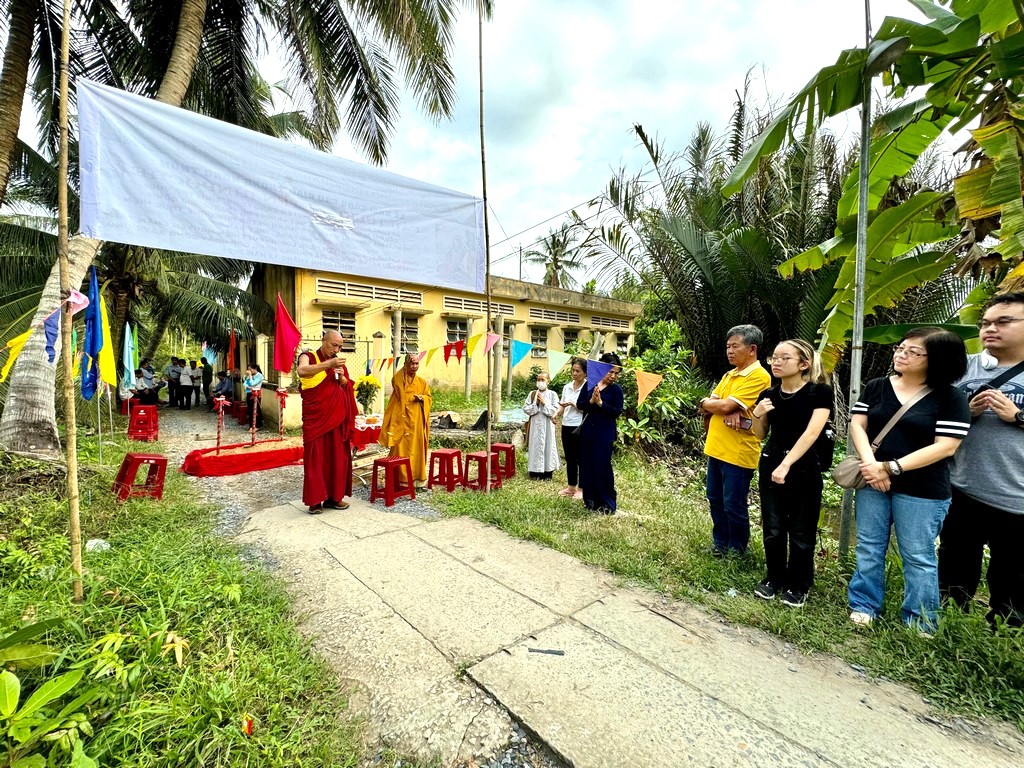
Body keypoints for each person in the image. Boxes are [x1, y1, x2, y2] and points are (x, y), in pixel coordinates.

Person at [847, 327, 970, 633]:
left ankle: (920, 619)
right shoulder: (877, 386)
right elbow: (858, 425)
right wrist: (872, 465)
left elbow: (946, 446)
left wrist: (889, 468)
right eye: (900, 348)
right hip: (873, 480)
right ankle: (864, 604)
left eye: (913, 352)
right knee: (869, 546)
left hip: (922, 489)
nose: (902, 355)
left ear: (938, 359)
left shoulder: (951, 397)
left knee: (918, 555)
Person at [939, 292, 1024, 628]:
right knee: (955, 563)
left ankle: (1004, 632)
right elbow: (933, 417)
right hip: (963, 486)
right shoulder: (964, 368)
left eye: (1003, 322)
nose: (990, 329)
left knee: (1013, 575)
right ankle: (949, 623)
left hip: (1017, 496)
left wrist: (1018, 416)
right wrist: (966, 413)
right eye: (986, 323)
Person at [750, 339, 833, 607]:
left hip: (804, 466)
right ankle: (774, 577)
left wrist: (787, 464)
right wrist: (757, 414)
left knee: (801, 529)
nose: (776, 362)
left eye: (784, 358)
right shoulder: (768, 395)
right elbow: (759, 434)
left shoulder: (818, 393)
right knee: (773, 527)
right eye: (774, 357)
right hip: (771, 461)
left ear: (803, 364)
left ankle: (799, 584)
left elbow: (812, 432)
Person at [698, 325, 771, 556]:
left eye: (734, 346)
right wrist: (711, 404)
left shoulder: (759, 376)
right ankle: (720, 544)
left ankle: (737, 550)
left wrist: (723, 406)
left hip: (738, 451)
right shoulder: (729, 375)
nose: (729, 351)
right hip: (716, 447)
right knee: (715, 498)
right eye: (728, 346)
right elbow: (710, 404)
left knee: (733, 503)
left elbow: (725, 405)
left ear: (752, 349)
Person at [298, 331, 357, 514]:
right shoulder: (308, 356)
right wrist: (328, 365)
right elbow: (302, 371)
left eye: (340, 347)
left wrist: (344, 380)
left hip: (337, 419)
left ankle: (334, 497)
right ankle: (315, 501)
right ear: (323, 340)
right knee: (316, 459)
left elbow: (346, 386)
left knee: (337, 458)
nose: (337, 350)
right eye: (334, 345)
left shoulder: (338, 363)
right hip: (316, 420)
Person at [576, 353, 624, 514]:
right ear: (602, 369)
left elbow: (617, 412)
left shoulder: (616, 390)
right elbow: (580, 404)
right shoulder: (590, 385)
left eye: (616, 373)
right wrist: (591, 401)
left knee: (602, 467)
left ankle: (607, 503)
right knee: (587, 466)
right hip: (587, 433)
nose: (613, 376)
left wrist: (601, 404)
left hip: (604, 435)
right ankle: (590, 501)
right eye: (611, 372)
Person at [380, 354, 432, 485]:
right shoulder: (400, 378)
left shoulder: (422, 382)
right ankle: (399, 480)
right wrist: (403, 368)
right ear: (406, 365)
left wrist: (423, 398)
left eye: (417, 364)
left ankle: (417, 481)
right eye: (412, 364)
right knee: (400, 448)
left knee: (417, 448)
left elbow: (428, 397)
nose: (414, 366)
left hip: (416, 419)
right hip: (402, 418)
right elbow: (395, 381)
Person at [556, 359, 587, 498]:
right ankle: (571, 487)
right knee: (570, 457)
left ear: (585, 373)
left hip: (580, 425)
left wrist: (572, 403)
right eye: (573, 370)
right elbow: (562, 405)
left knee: (581, 457)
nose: (574, 373)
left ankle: (581, 488)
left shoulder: (588, 387)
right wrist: (556, 414)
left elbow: (587, 407)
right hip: (566, 424)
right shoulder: (567, 387)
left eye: (578, 371)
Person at [523, 372, 560, 480]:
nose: (540, 382)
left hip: (547, 425)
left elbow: (555, 410)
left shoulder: (553, 394)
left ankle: (548, 472)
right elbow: (526, 408)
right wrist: (536, 405)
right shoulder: (532, 394)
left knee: (548, 445)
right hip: (535, 425)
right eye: (538, 379)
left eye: (543, 379)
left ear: (548, 381)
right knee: (535, 446)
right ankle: (534, 472)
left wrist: (544, 403)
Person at [243, 363, 264, 429]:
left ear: (255, 369)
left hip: (256, 394)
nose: (249, 371)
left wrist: (250, 376)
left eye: (250, 369)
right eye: (248, 370)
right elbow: (245, 384)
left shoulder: (259, 376)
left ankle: (258, 425)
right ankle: (251, 425)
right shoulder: (249, 375)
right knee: (250, 410)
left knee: (256, 409)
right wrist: (248, 386)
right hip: (249, 393)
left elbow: (252, 384)